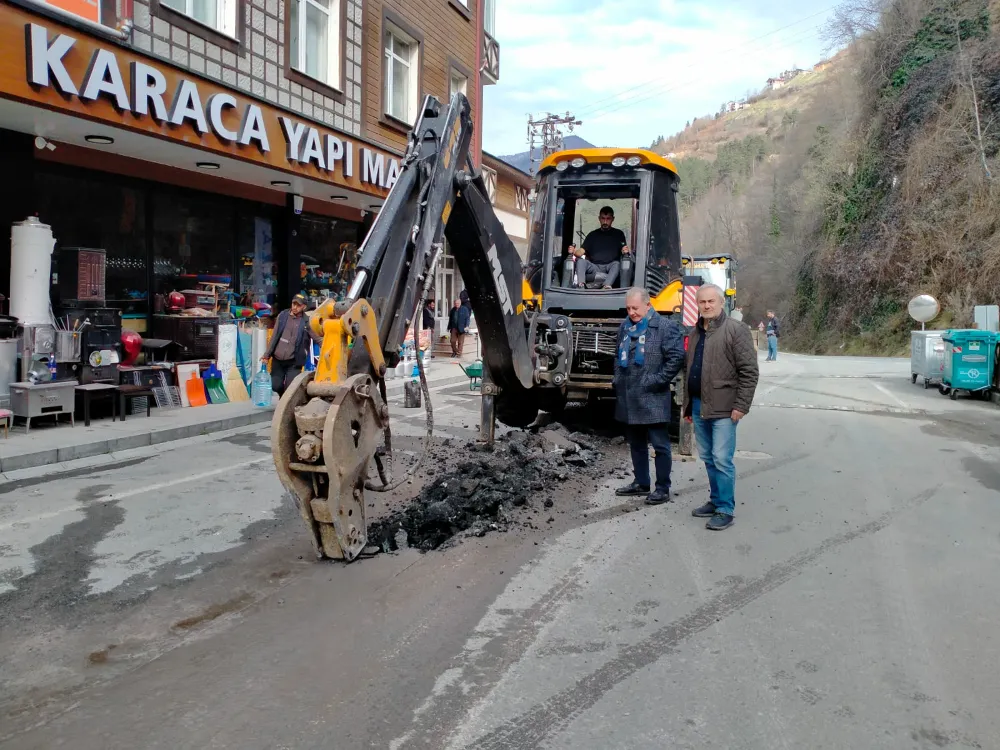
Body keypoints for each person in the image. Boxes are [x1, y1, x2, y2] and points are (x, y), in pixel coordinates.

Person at [684, 284, 760, 530]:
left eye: (711, 302)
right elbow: (690, 371)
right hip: (699, 405)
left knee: (721, 458)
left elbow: (749, 371)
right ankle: (716, 500)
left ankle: (726, 508)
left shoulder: (735, 330)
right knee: (707, 457)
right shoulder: (696, 332)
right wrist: (687, 407)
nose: (706, 306)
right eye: (702, 302)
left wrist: (741, 406)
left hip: (725, 408)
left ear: (720, 303)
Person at [614, 287, 686, 505]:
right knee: (636, 443)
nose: (632, 312)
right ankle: (641, 482)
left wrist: (656, 380)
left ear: (647, 305)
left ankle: (662, 488)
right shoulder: (625, 327)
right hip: (629, 395)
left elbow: (676, 358)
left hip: (653, 396)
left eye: (635, 308)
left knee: (660, 445)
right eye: (628, 308)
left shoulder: (665, 327)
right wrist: (617, 378)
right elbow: (617, 355)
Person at [260, 294, 323, 396]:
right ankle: (282, 396)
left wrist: (327, 348)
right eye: (294, 304)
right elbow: (274, 336)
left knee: (290, 388)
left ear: (304, 307)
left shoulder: (306, 322)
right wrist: (266, 355)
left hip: (294, 362)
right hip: (278, 360)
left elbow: (318, 339)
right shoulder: (282, 316)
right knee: (276, 385)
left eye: (298, 305)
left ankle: (285, 403)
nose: (294, 307)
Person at [569, 206, 629, 289]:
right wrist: (573, 251)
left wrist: (625, 251)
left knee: (617, 264)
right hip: (594, 266)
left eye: (608, 219)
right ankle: (581, 285)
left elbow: (624, 250)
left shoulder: (619, 234)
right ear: (599, 218)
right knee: (581, 262)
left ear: (612, 219)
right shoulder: (592, 235)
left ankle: (607, 286)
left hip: (610, 266)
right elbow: (580, 252)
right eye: (603, 218)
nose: (605, 221)